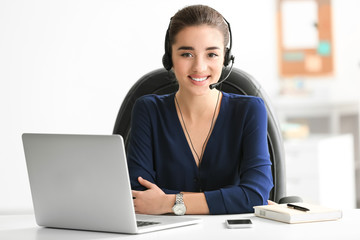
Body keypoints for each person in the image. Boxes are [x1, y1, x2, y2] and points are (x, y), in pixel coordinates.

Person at [127, 4, 273, 215]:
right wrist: (233, 198)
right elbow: (139, 194)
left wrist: (167, 203)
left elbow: (255, 195)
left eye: (212, 54)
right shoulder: (148, 110)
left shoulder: (250, 110)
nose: (199, 67)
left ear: (225, 57)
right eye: (187, 54)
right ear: (169, 58)